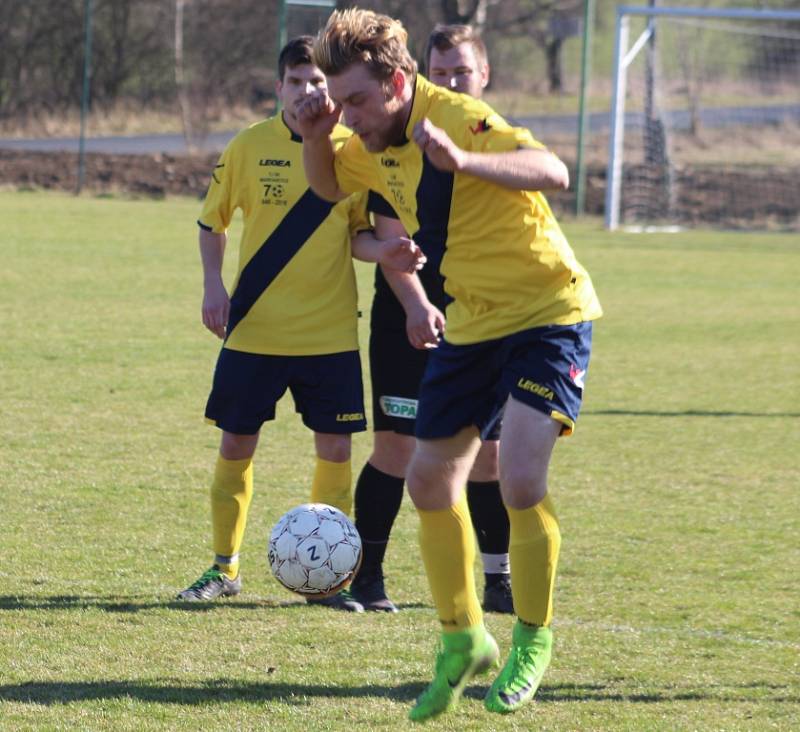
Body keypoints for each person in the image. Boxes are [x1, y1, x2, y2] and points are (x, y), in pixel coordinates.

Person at [297, 8, 602, 719]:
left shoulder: (457, 115)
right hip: (472, 324)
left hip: (547, 312)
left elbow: (551, 170)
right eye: (338, 103)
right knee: (430, 481)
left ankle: (531, 638)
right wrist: (317, 135)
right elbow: (327, 187)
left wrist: (466, 163)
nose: (348, 115)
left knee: (521, 481)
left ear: (400, 82)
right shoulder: (365, 134)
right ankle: (463, 639)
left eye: (357, 101)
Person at [176, 36, 424, 613]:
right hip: (255, 331)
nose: (309, 92)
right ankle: (223, 568)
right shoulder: (248, 146)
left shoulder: (354, 150)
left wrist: (385, 253)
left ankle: (328, 581)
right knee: (237, 443)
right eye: (297, 82)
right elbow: (211, 222)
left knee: (335, 449)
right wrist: (214, 285)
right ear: (279, 87)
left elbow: (360, 237)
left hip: (329, 333)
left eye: (319, 82)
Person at [349, 24, 514, 615]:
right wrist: (418, 304)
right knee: (397, 447)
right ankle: (367, 578)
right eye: (439, 74)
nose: (448, 83)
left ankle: (498, 579)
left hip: (482, 318)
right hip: (406, 317)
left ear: (483, 77)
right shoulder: (393, 147)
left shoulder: (489, 146)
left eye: (460, 73)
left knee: (489, 455)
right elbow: (388, 238)